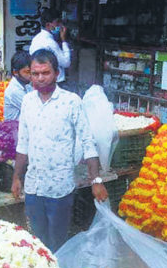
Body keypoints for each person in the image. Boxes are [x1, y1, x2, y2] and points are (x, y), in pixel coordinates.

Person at [11, 49, 108, 253]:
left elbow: (88, 141)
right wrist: (17, 177)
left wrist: (96, 181)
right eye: (35, 73)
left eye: (45, 73)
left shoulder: (71, 101)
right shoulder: (28, 101)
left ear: (56, 73)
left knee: (58, 243)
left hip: (60, 188)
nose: (40, 78)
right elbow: (23, 142)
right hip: (34, 186)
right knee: (38, 242)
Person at [29, 8, 70, 84]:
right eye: (57, 23)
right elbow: (66, 62)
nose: (60, 25)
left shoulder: (36, 39)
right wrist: (64, 40)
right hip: (55, 82)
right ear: (48, 25)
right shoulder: (49, 43)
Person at [4, 51, 32, 121]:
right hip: (14, 129)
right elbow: (35, 109)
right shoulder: (14, 91)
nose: (31, 75)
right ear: (15, 72)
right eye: (28, 72)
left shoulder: (27, 85)